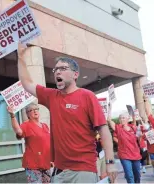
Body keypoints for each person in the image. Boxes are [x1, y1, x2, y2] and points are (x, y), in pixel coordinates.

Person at [17, 43, 118, 183]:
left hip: (84, 170)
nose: (57, 72)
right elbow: (27, 83)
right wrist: (20, 56)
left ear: (75, 74)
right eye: (56, 69)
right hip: (59, 172)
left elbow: (104, 130)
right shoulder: (51, 96)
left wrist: (110, 163)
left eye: (63, 68)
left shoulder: (87, 96)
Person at [7, 103, 51, 183]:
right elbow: (18, 131)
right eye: (31, 110)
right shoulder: (26, 125)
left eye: (36, 109)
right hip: (33, 164)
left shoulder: (45, 126)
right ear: (27, 114)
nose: (35, 111)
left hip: (46, 163)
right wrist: (12, 116)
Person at [108, 104, 141, 183]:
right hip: (125, 155)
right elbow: (109, 120)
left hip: (135, 155)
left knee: (137, 175)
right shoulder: (118, 129)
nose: (121, 119)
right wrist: (110, 109)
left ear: (127, 119)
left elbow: (138, 138)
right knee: (129, 176)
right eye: (120, 118)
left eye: (123, 118)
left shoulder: (133, 127)